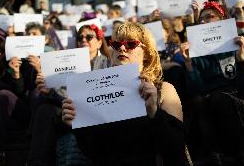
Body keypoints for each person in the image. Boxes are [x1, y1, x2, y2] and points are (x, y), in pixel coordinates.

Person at [62, 22, 186, 166]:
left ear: (147, 54)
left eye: (131, 44)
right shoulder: (99, 93)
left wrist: (154, 113)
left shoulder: (163, 90)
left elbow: (177, 153)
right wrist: (78, 125)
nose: (122, 47)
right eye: (116, 44)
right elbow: (95, 153)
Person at [180, 1, 244, 166]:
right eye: (201, 19)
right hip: (207, 104)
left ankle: (240, 153)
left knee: (217, 98)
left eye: (209, 17)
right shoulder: (195, 55)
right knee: (199, 101)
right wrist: (189, 66)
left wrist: (241, 60)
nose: (203, 21)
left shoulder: (242, 47)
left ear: (223, 19)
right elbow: (195, 90)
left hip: (239, 103)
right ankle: (214, 155)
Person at [27, 24, 111, 166]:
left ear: (99, 42)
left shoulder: (109, 63)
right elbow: (60, 94)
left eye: (89, 37)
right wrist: (48, 88)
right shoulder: (66, 61)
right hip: (68, 111)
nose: (83, 39)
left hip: (96, 114)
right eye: (80, 37)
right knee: (45, 109)